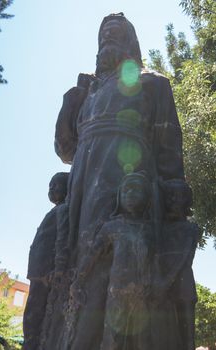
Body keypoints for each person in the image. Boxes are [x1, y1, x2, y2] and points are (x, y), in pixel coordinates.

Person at [55, 13, 185, 264]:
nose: (106, 40)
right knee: (75, 259)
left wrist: (173, 191)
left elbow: (168, 144)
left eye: (114, 35)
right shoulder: (88, 91)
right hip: (82, 183)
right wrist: (72, 101)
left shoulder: (153, 83)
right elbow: (65, 151)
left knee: (117, 259)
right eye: (103, 38)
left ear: (130, 42)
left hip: (128, 177)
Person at [66, 172, 181, 350]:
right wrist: (78, 281)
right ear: (119, 196)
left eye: (137, 189)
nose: (130, 194)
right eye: (126, 190)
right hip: (117, 292)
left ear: (147, 198)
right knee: (113, 339)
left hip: (144, 293)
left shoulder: (151, 230)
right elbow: (92, 256)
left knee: (143, 342)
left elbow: (157, 262)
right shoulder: (112, 226)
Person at [23, 172, 69, 350]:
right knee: (32, 311)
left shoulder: (63, 210)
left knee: (35, 313)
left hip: (45, 272)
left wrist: (58, 267)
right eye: (50, 185)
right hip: (38, 271)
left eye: (55, 184)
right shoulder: (55, 210)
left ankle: (33, 344)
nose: (51, 188)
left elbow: (62, 237)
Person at [159, 179, 199, 350]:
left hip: (182, 285)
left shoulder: (191, 229)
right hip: (163, 284)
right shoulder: (160, 229)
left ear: (186, 201)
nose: (173, 201)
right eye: (169, 197)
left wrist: (165, 281)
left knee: (187, 335)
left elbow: (183, 258)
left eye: (178, 197)